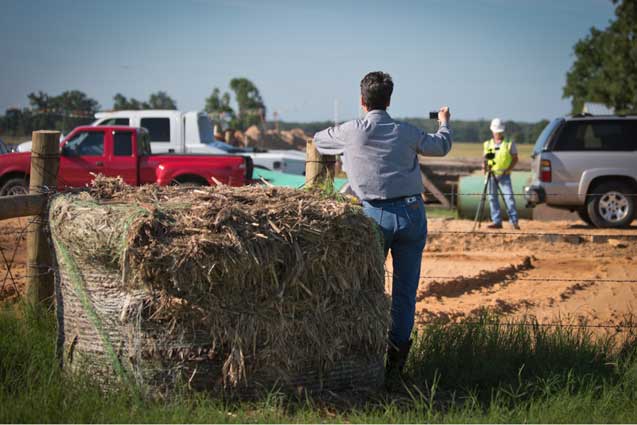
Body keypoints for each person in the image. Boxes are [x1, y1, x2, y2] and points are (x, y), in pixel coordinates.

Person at [313, 71, 452, 388]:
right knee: (405, 294)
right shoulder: (406, 131)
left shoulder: (351, 131)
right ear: (389, 100)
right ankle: (396, 368)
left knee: (365, 290)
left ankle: (362, 361)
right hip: (412, 215)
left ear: (362, 101)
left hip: (373, 217)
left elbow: (320, 140)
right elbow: (441, 146)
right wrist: (444, 121)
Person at [482, 118, 520, 229]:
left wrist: (508, 169)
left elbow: (515, 158)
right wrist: (484, 168)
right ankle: (496, 221)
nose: (498, 133)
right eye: (496, 131)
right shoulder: (488, 144)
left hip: (504, 175)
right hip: (491, 174)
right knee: (492, 198)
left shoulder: (509, 143)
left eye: (500, 132)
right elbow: (486, 160)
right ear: (492, 131)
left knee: (509, 198)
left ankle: (514, 222)